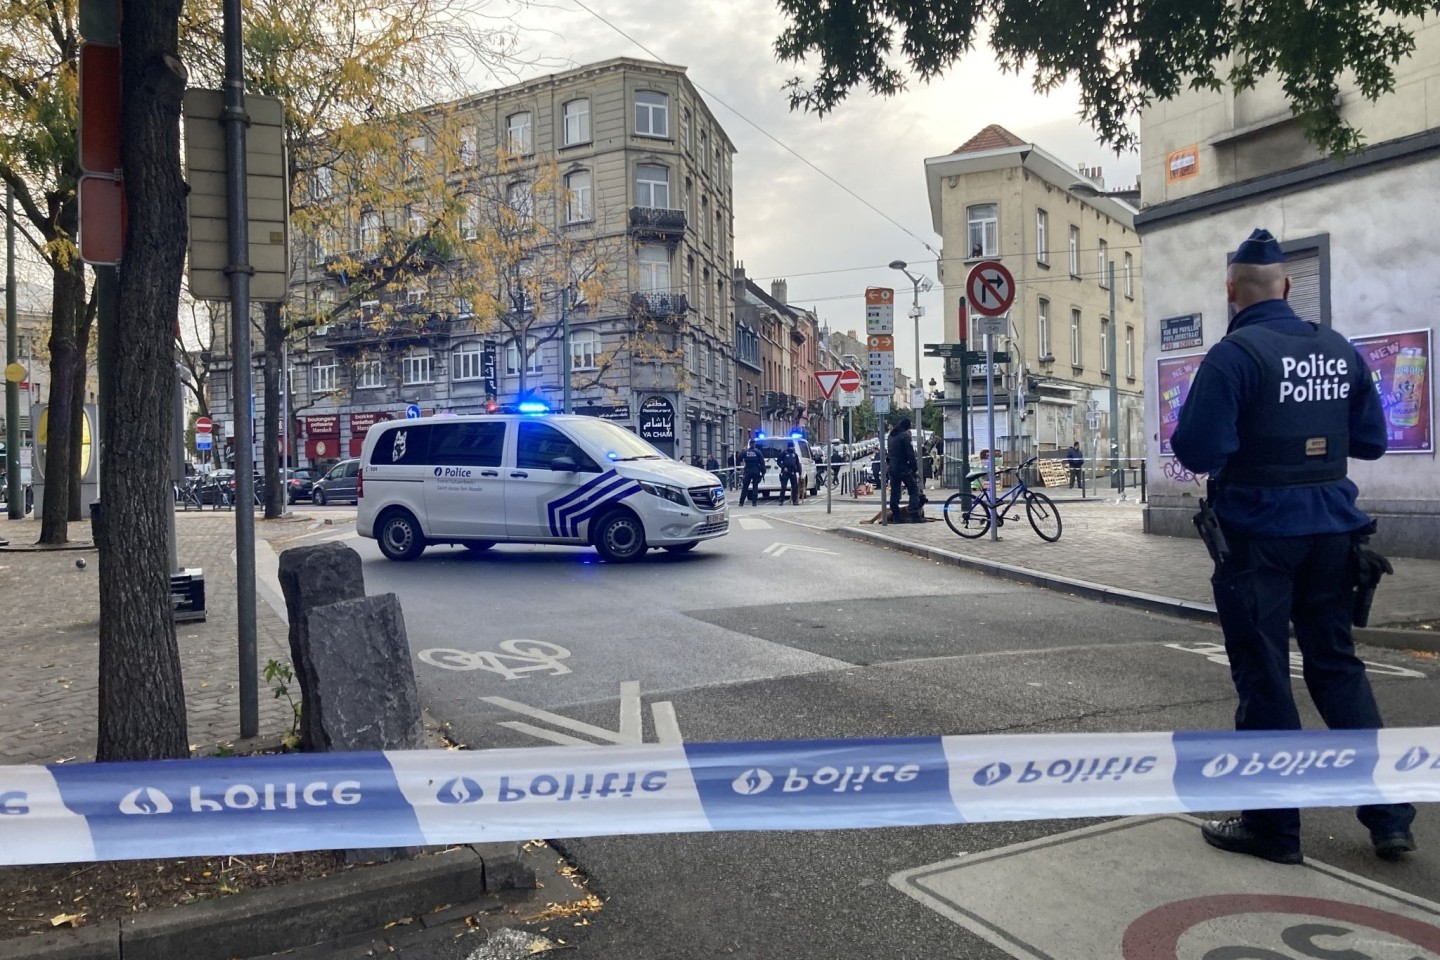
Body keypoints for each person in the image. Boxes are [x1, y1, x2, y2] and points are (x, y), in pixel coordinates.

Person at [1171, 227, 1415, 866]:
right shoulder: (1337, 349)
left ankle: (1273, 829)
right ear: (1285, 284)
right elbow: (1371, 442)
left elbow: (1198, 450)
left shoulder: (1233, 357)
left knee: (1266, 677)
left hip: (1258, 542)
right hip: (1335, 534)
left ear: (1232, 291)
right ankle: (1390, 816)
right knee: (1337, 667)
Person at [886, 417, 921, 522]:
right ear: (906, 426)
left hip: (892, 467)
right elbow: (910, 454)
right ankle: (914, 514)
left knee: (895, 492)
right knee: (913, 490)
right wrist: (914, 468)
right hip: (902, 467)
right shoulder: (904, 436)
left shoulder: (891, 436)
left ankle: (896, 516)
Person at [740, 438, 766, 506]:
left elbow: (739, 457)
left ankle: (741, 502)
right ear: (754, 444)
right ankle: (754, 502)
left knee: (745, 487)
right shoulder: (758, 452)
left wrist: (743, 450)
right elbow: (762, 462)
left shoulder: (746, 452)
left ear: (749, 444)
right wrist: (763, 472)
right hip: (756, 471)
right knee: (755, 487)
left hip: (748, 471)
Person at [778, 441, 801, 505]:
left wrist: (800, 473)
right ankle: (781, 501)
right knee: (783, 487)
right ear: (790, 447)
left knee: (795, 487)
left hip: (793, 471)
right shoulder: (784, 453)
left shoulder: (795, 455)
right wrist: (783, 467)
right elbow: (779, 461)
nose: (793, 448)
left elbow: (798, 464)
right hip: (786, 471)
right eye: (793, 447)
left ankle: (795, 501)